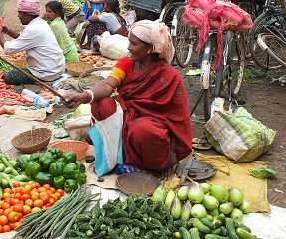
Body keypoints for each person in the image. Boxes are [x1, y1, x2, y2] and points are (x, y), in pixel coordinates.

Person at [64, 20, 193, 172]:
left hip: (154, 121)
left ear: (149, 49)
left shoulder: (169, 76)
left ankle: (152, 165)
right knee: (101, 104)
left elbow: (178, 116)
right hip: (127, 113)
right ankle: (114, 154)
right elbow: (108, 84)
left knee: (142, 130)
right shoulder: (126, 64)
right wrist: (84, 96)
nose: (128, 47)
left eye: (134, 44)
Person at [0, 0, 65, 85]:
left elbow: (9, 49)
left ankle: (37, 81)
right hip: (57, 68)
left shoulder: (33, 29)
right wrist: (7, 31)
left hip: (47, 72)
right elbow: (22, 37)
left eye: (20, 14)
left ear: (27, 15)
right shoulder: (40, 22)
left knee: (10, 77)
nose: (18, 16)